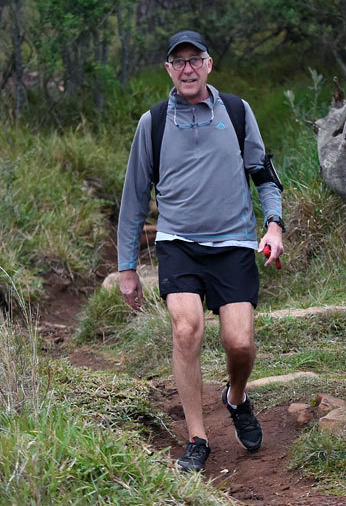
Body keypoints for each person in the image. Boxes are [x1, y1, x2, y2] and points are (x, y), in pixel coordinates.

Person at [117, 30, 284, 472]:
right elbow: (134, 199)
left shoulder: (236, 111)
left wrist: (273, 225)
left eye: (195, 60)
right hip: (178, 245)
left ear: (209, 65)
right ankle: (197, 439)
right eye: (179, 62)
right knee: (186, 330)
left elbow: (264, 175)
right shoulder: (152, 123)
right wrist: (127, 268)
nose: (187, 69)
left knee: (240, 342)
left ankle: (236, 397)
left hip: (233, 243)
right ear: (169, 70)